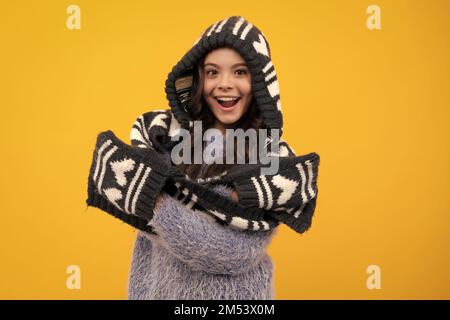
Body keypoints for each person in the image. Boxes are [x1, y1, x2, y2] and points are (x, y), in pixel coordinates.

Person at [125, 16, 297, 299]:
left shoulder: (270, 159)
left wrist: (157, 204)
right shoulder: (166, 142)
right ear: (198, 78)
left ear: (259, 82)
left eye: (239, 72)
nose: (225, 84)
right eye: (213, 72)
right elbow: (145, 250)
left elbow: (234, 254)